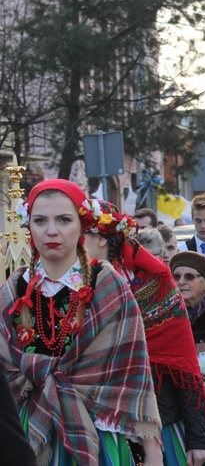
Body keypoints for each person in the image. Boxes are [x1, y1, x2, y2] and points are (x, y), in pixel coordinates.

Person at [0, 180, 162, 464]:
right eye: (40, 220)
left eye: (63, 219)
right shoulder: (13, 290)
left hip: (95, 433)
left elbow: (133, 369)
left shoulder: (108, 286)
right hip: (25, 436)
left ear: (82, 224)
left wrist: (153, 452)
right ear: (29, 226)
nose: (51, 230)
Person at [83, 199, 205, 465]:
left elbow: (183, 363)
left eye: (79, 230)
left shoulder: (158, 284)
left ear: (101, 238)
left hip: (157, 419)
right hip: (89, 419)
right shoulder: (71, 284)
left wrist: (199, 438)